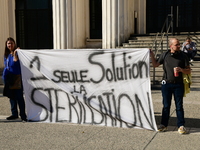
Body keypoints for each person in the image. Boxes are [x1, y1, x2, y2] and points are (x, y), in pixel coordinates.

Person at [150, 37, 191, 134]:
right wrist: (151, 54)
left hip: (178, 84)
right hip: (166, 84)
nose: (179, 46)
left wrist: (181, 70)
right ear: (170, 46)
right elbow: (155, 64)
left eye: (179, 44)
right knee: (166, 105)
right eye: (176, 44)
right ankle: (164, 125)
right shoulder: (165, 55)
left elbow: (188, 70)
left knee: (179, 106)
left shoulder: (183, 56)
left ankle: (181, 126)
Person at [2, 37, 27, 122]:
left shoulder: (17, 53)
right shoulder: (6, 55)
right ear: (6, 45)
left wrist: (16, 54)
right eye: (8, 43)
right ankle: (14, 114)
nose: (10, 45)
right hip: (8, 77)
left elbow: (16, 63)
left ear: (14, 44)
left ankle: (23, 115)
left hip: (16, 77)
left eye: (11, 43)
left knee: (19, 97)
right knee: (11, 97)